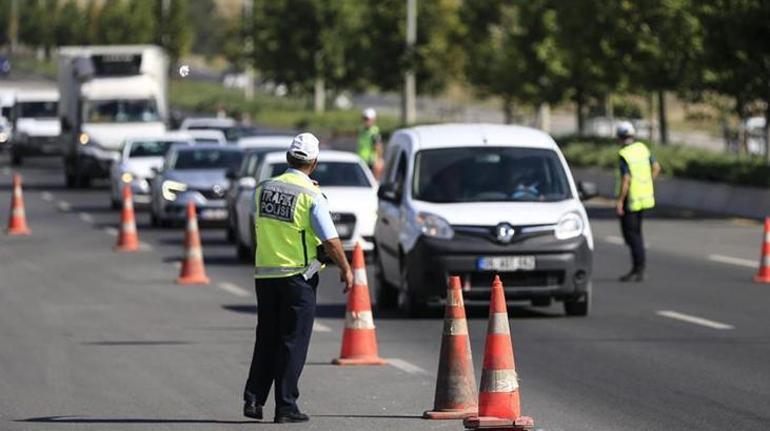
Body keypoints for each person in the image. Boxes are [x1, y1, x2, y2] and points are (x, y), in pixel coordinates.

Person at [243, 132, 354, 423]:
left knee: (266, 337)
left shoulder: (263, 189)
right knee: (292, 342)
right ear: (314, 162)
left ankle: (253, 400)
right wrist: (346, 268)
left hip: (265, 275)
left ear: (287, 158)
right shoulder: (312, 196)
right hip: (297, 277)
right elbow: (329, 241)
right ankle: (286, 406)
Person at [615, 121, 661, 282]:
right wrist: (647, 182)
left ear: (619, 138)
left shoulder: (624, 154)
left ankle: (638, 268)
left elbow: (626, 179)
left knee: (632, 235)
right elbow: (656, 167)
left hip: (632, 199)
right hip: (644, 197)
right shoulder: (642, 148)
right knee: (637, 233)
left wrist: (620, 201)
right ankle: (638, 267)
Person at [357, 107, 383, 178]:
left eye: (368, 119)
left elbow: (378, 147)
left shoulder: (374, 132)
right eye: (364, 119)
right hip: (361, 160)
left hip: (370, 162)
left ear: (373, 120)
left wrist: (379, 161)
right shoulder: (361, 130)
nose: (366, 121)